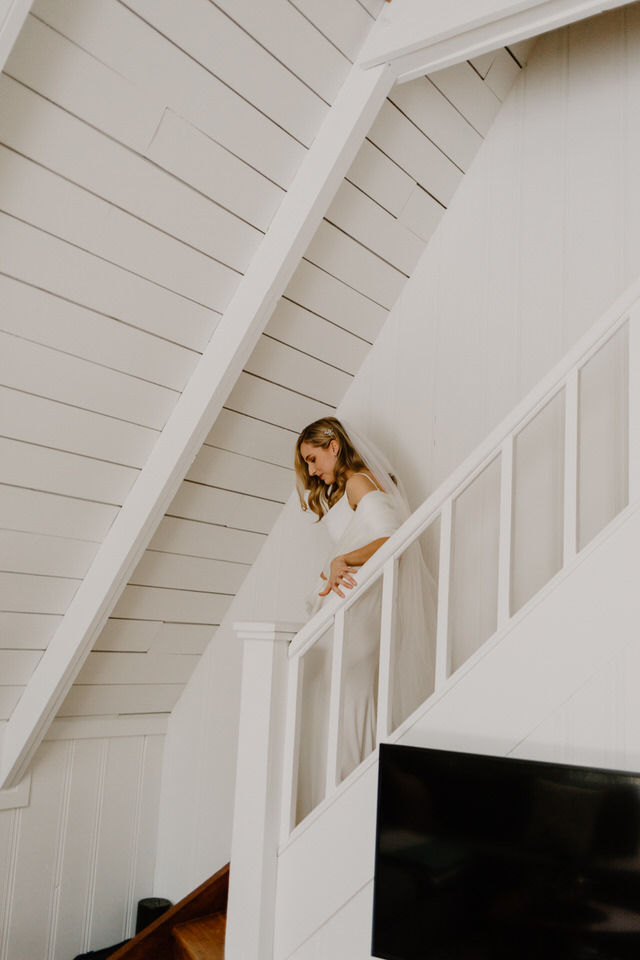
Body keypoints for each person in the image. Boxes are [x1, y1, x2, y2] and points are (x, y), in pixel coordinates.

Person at [293, 417, 436, 821]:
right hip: (355, 611)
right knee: (346, 702)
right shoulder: (346, 488)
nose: (311, 470)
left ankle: (347, 799)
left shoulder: (358, 480)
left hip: (363, 617)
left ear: (334, 445)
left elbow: (393, 537)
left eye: (313, 458)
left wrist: (343, 559)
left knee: (348, 702)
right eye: (306, 464)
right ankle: (350, 800)